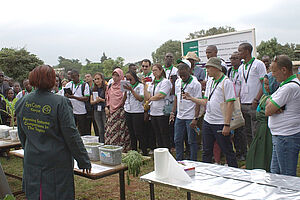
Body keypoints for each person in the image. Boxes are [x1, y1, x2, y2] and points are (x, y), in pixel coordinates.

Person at [15, 65, 91, 200]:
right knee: (57, 193)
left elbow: (22, 134)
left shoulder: (22, 101)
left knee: (35, 193)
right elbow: (71, 134)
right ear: (51, 81)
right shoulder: (60, 102)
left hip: (32, 158)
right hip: (56, 162)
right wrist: (83, 160)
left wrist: (29, 148)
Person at [184, 57, 238, 167]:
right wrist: (191, 98)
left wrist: (227, 124)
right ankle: (206, 174)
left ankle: (236, 174)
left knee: (227, 150)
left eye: (208, 68)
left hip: (220, 122)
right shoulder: (210, 82)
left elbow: (230, 104)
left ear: (216, 68)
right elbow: (205, 101)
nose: (206, 71)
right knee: (206, 150)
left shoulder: (226, 82)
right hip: (208, 121)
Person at [265, 55, 300, 176]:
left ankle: (288, 195)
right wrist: (270, 102)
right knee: (275, 173)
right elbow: (268, 102)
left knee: (286, 176)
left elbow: (267, 110)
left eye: (274, 71)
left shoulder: (289, 87)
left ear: (284, 70)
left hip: (286, 136)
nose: (272, 75)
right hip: (281, 136)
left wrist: (270, 103)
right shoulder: (285, 85)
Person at [246, 72, 279, 171]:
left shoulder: (276, 97)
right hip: (261, 128)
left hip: (269, 130)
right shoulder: (264, 96)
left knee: (267, 151)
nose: (266, 87)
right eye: (264, 84)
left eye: (268, 84)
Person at [170, 59, 202, 161]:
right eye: (180, 75)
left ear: (189, 71)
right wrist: (172, 112)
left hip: (190, 116)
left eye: (184, 75)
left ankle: (193, 161)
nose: (182, 77)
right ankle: (179, 160)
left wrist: (195, 118)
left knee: (191, 141)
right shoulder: (178, 81)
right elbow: (176, 97)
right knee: (177, 140)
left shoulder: (195, 84)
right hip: (180, 116)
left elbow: (198, 102)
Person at [238, 43, 267, 149]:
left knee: (256, 132)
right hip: (244, 103)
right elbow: (241, 85)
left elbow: (263, 83)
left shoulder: (258, 64)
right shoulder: (241, 67)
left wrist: (256, 99)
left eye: (240, 51)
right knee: (247, 133)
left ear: (247, 51)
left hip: (254, 103)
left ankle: (258, 156)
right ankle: (251, 156)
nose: (238, 53)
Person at [144, 63, 172, 149]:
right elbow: (147, 96)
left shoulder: (165, 82)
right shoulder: (152, 83)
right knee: (157, 134)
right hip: (153, 112)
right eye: (153, 71)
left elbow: (161, 95)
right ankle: (160, 152)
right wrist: (144, 85)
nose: (154, 72)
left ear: (161, 71)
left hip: (162, 112)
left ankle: (167, 151)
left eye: (156, 70)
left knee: (164, 134)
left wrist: (151, 98)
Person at [105, 68, 130, 152]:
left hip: (121, 110)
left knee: (121, 129)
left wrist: (120, 105)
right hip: (111, 110)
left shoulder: (124, 84)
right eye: (113, 75)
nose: (115, 77)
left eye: (117, 75)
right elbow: (107, 97)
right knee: (110, 129)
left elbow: (126, 97)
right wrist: (107, 107)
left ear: (121, 76)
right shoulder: (110, 85)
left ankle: (122, 148)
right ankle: (111, 146)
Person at [123, 70, 148, 155]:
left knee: (138, 132)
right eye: (127, 79)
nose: (129, 81)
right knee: (131, 132)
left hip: (137, 111)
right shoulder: (127, 85)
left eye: (130, 79)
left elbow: (141, 98)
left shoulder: (140, 86)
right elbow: (125, 97)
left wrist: (132, 90)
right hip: (128, 110)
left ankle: (144, 151)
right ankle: (134, 151)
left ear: (135, 78)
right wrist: (126, 91)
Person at [228, 51, 246, 161]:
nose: (233, 60)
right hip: (231, 101)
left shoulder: (242, 71)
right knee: (233, 127)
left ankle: (242, 152)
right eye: (231, 58)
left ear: (240, 60)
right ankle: (236, 151)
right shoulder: (229, 71)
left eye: (235, 58)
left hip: (241, 101)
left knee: (240, 129)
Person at [64, 70, 91, 136]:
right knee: (72, 129)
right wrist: (67, 95)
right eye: (72, 78)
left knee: (82, 130)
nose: (73, 79)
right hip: (71, 111)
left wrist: (73, 97)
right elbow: (64, 95)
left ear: (78, 76)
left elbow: (86, 98)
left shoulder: (84, 85)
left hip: (81, 111)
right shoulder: (69, 84)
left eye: (74, 77)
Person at [141, 59, 156, 153]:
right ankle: (146, 145)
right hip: (142, 104)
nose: (144, 68)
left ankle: (152, 146)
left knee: (151, 127)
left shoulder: (153, 76)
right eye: (143, 66)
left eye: (146, 66)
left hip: (151, 103)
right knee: (144, 127)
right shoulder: (141, 76)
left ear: (150, 66)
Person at [90, 73, 106, 143]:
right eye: (95, 79)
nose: (96, 81)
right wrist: (96, 101)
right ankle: (101, 143)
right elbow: (91, 102)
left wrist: (101, 100)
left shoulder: (106, 88)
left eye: (98, 79)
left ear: (102, 79)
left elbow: (109, 100)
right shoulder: (93, 89)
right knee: (100, 129)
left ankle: (107, 143)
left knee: (105, 128)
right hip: (96, 110)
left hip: (104, 110)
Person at [85, 73, 99, 137]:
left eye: (88, 76)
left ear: (92, 77)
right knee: (87, 126)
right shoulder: (85, 86)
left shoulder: (95, 86)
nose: (87, 78)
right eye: (86, 77)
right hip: (87, 108)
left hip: (95, 108)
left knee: (96, 126)